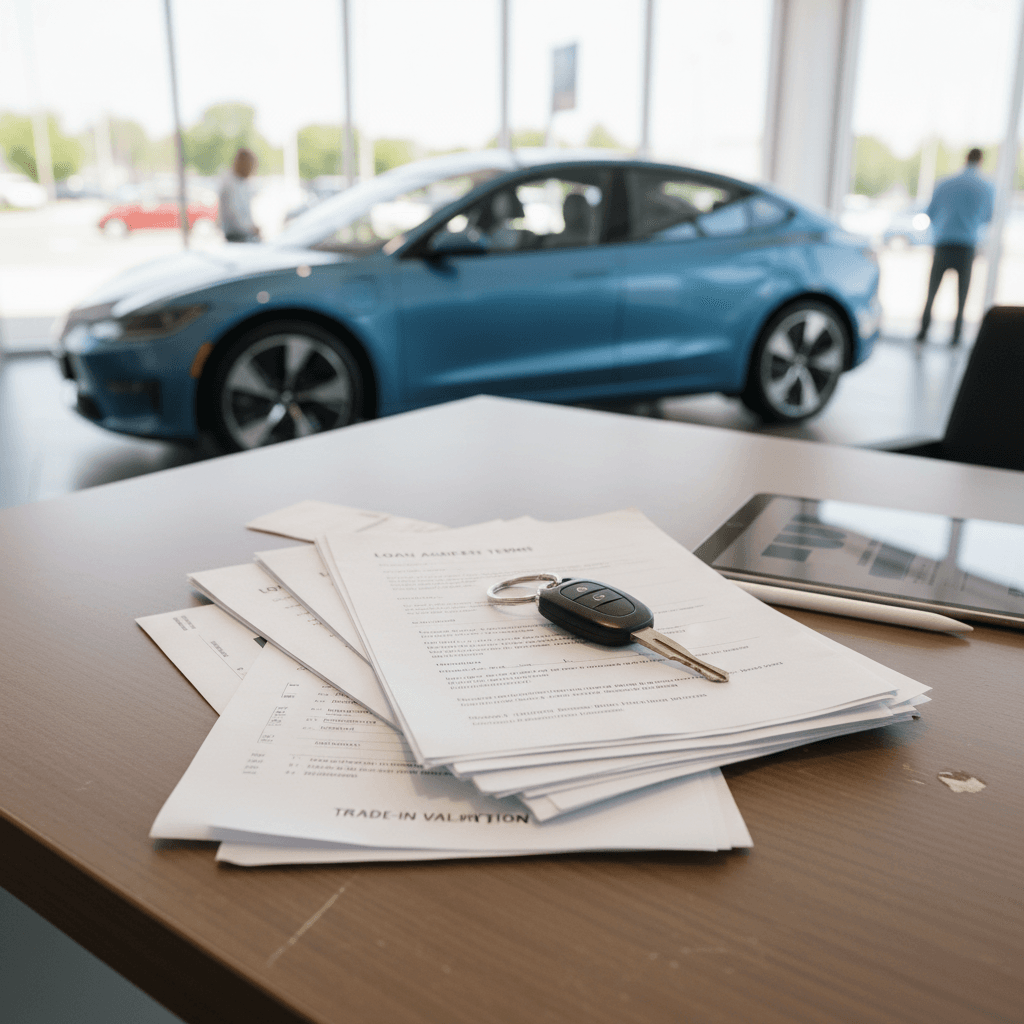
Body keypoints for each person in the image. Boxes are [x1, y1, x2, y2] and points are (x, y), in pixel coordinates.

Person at [916, 148, 994, 345]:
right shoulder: (986, 186)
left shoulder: (945, 183)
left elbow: (930, 213)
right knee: (962, 297)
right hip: (966, 247)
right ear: (981, 160)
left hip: (943, 244)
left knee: (932, 292)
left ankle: (923, 332)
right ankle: (956, 337)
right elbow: (987, 217)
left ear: (966, 158)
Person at [218, 148, 261, 243]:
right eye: (250, 165)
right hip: (236, 237)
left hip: (243, 235)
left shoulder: (242, 183)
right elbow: (235, 217)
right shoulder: (230, 184)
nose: (252, 170)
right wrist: (251, 228)